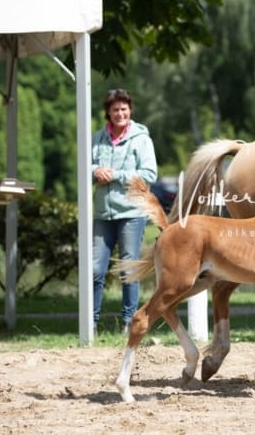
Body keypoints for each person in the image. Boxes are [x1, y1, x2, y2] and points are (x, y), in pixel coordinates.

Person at [92, 89, 157, 335]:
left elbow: (150, 174)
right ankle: (92, 323)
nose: (120, 113)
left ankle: (130, 323)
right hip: (102, 214)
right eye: (115, 109)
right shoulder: (96, 138)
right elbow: (86, 165)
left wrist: (116, 175)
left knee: (129, 271)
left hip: (131, 213)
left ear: (130, 111)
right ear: (108, 112)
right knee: (96, 270)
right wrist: (95, 171)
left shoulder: (141, 139)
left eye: (124, 109)